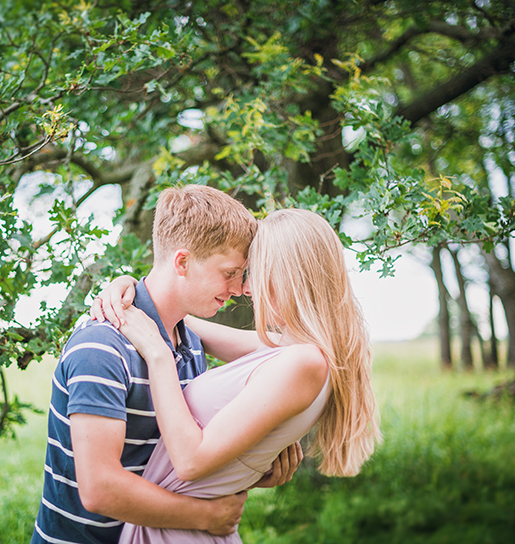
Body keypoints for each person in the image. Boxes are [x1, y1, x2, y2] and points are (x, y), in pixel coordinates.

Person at [92, 208, 381, 543]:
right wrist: (131, 287)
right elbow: (177, 315)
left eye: (254, 273)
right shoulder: (291, 350)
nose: (245, 289)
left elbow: (189, 461)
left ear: (287, 276)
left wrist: (158, 356)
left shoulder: (304, 364)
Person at [31, 185, 300, 544]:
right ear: (182, 262)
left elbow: (165, 460)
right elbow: (99, 489)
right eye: (229, 272)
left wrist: (250, 469)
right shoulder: (102, 346)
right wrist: (205, 516)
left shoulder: (187, 341)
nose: (238, 289)